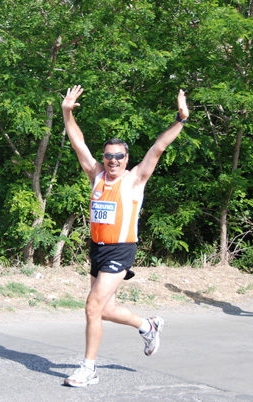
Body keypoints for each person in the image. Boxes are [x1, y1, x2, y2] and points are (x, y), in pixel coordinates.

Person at [61, 85, 189, 387]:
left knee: (92, 306)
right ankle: (148, 325)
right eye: (108, 156)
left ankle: (89, 368)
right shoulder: (96, 175)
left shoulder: (134, 179)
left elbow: (158, 147)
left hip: (121, 250)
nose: (113, 160)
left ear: (127, 157)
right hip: (98, 249)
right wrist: (67, 112)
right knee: (105, 310)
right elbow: (78, 142)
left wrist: (180, 120)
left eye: (119, 156)